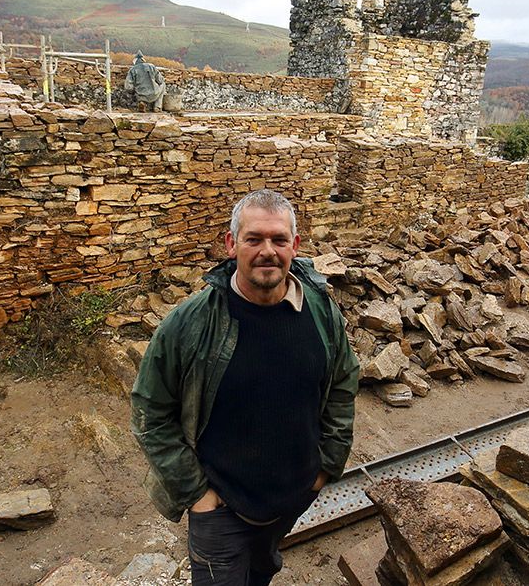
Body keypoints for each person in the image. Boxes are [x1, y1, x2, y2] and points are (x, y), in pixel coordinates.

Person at [131, 189, 359, 586]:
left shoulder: (321, 312)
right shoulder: (190, 323)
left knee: (262, 570)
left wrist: (326, 466)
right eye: (254, 239)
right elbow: (150, 410)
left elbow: (343, 382)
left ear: (295, 245)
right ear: (231, 244)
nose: (267, 251)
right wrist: (197, 496)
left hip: (294, 494)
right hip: (220, 508)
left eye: (278, 239)